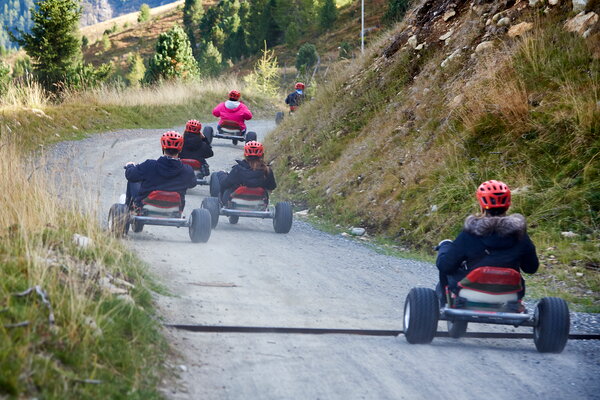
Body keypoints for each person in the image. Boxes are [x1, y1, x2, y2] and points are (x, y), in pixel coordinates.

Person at [436, 180, 539, 303]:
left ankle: (445, 304)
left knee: (445, 266)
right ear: (508, 204)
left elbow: (446, 266)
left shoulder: (470, 233)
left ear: (481, 204)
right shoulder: (520, 235)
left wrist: (445, 246)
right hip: (510, 294)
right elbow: (531, 268)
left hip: (471, 292)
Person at [124, 131, 197, 211]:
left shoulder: (149, 165)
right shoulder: (187, 170)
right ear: (180, 149)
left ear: (163, 147)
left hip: (145, 205)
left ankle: (128, 212)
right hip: (174, 209)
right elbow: (192, 184)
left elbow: (130, 175)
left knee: (132, 181)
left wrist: (130, 166)